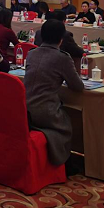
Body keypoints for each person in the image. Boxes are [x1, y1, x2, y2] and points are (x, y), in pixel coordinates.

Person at [25, 19, 84, 166]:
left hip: (24, 108)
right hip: (45, 111)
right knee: (69, 121)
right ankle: (63, 161)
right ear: (61, 39)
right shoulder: (62, 57)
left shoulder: (31, 53)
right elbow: (77, 86)